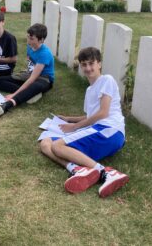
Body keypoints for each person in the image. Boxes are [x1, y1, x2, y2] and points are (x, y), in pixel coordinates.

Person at [38, 47, 129, 198]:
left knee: (57, 145)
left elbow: (103, 113)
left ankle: (106, 172)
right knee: (45, 143)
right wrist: (69, 118)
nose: (88, 68)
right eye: (84, 64)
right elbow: (90, 115)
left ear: (99, 64)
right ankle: (76, 169)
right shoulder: (89, 90)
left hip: (109, 131)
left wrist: (74, 127)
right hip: (98, 131)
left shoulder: (106, 80)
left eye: (91, 63)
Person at [0, 23, 54, 117]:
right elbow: (30, 68)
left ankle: (7, 105)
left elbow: (33, 78)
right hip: (30, 74)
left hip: (44, 79)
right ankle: (29, 94)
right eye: (28, 37)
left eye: (32, 39)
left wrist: (14, 94)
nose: (28, 40)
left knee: (35, 85)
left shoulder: (44, 53)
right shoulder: (30, 46)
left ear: (41, 40)